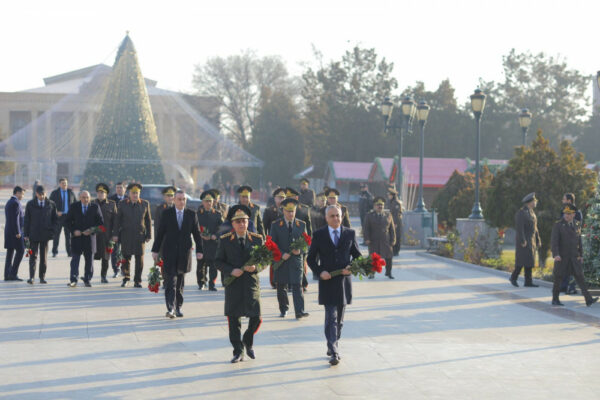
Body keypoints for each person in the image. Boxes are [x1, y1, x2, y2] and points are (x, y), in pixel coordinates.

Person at [307, 205, 362, 366]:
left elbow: (357, 256)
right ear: (326, 218)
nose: (336, 219)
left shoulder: (350, 233)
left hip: (344, 283)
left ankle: (333, 342)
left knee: (340, 320)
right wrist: (319, 271)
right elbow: (311, 259)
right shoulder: (319, 235)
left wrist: (352, 267)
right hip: (327, 281)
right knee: (331, 317)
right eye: (332, 216)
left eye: (338, 216)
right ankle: (334, 350)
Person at [215, 205, 264, 363]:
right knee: (233, 319)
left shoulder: (257, 239)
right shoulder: (225, 240)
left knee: (256, 317)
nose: (242, 224)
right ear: (233, 224)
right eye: (238, 222)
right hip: (234, 284)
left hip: (251, 283)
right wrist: (231, 270)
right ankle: (238, 351)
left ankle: (247, 340)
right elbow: (218, 261)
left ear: (248, 222)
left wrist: (257, 267)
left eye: (244, 221)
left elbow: (265, 259)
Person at [152, 190, 203, 318]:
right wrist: (155, 250)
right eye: (179, 199)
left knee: (180, 283)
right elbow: (160, 233)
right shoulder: (167, 214)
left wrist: (200, 251)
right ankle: (170, 308)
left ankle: (178, 307)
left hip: (184, 254)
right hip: (169, 253)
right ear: (174, 200)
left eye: (183, 199)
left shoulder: (191, 214)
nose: (181, 202)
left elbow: (197, 234)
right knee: (170, 282)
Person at [550, 204, 598, 307]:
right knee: (558, 277)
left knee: (580, 277)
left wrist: (581, 255)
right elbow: (554, 242)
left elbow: (579, 241)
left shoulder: (577, 224)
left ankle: (588, 299)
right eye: (565, 213)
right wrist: (556, 254)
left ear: (574, 214)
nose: (566, 216)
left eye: (569, 214)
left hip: (574, 257)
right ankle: (555, 299)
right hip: (562, 257)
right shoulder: (558, 225)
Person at [270, 198, 309, 319]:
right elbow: (272, 244)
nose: (291, 214)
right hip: (281, 261)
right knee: (281, 286)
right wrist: (281, 254)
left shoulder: (301, 225)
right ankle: (284, 308)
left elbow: (307, 243)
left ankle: (299, 311)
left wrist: (301, 250)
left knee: (298, 285)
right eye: (288, 211)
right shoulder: (276, 225)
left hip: (296, 261)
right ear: (283, 211)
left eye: (293, 211)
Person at [112, 183, 152, 288]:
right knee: (126, 258)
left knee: (140, 260)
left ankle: (137, 280)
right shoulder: (122, 203)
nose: (135, 195)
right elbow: (117, 220)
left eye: (137, 193)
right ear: (129, 193)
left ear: (139, 193)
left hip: (140, 236)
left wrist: (149, 235)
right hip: (126, 235)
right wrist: (115, 234)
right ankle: (126, 278)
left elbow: (148, 220)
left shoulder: (145, 204)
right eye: (133, 193)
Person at [65, 191, 104, 287]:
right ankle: (73, 279)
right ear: (79, 198)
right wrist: (74, 231)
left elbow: (101, 225)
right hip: (77, 238)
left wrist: (91, 230)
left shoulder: (95, 207)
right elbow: (67, 222)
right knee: (75, 260)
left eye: (87, 197)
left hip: (89, 239)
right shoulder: (74, 206)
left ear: (90, 198)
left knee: (89, 261)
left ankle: (87, 279)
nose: (85, 199)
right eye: (83, 197)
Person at [24, 186, 58, 284]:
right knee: (32, 256)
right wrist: (26, 234)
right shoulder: (30, 204)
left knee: (43, 258)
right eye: (40, 194)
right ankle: (31, 277)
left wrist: (52, 231)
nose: (42, 196)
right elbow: (26, 220)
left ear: (45, 193)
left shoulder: (51, 204)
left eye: (43, 194)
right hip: (33, 235)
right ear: (36, 194)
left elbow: (55, 219)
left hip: (45, 235)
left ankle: (42, 277)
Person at [510, 192, 541, 287]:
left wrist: (538, 239)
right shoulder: (521, 212)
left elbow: (535, 228)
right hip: (524, 241)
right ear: (529, 202)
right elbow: (520, 228)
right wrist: (523, 240)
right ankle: (513, 277)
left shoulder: (531, 212)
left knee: (529, 261)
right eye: (534, 201)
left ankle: (528, 281)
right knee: (521, 261)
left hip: (531, 241)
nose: (535, 202)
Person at [196, 190, 224, 291]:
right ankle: (201, 282)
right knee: (201, 264)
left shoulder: (217, 214)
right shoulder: (198, 214)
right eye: (206, 201)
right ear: (202, 202)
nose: (208, 203)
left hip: (213, 243)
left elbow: (222, 228)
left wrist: (215, 236)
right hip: (202, 243)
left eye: (210, 201)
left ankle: (212, 284)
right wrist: (199, 235)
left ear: (213, 202)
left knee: (213, 265)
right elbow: (194, 227)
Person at [363, 196, 396, 279]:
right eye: (378, 205)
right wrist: (366, 239)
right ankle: (372, 273)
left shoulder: (388, 215)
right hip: (373, 241)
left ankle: (389, 273)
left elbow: (392, 229)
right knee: (373, 258)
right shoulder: (369, 215)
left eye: (381, 205)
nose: (380, 206)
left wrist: (393, 240)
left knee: (389, 257)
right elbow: (366, 228)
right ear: (374, 206)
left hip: (386, 240)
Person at [559, 193, 582, 295]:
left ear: (569, 201)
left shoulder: (577, 212)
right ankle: (564, 286)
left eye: (563, 199)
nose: (562, 201)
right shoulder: (563, 211)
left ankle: (571, 287)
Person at [94, 183, 117, 283]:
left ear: (106, 194)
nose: (100, 194)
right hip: (94, 235)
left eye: (102, 193)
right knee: (90, 257)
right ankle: (88, 275)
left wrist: (114, 234)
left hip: (106, 235)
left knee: (105, 257)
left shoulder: (112, 204)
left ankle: (103, 276)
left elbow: (116, 221)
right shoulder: (92, 203)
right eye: (99, 192)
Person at [49, 178, 75, 257]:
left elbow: (75, 204)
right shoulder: (55, 193)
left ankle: (69, 252)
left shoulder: (70, 192)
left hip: (68, 217)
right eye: (63, 183)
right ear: (59, 184)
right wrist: (56, 212)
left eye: (66, 183)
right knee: (56, 235)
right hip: (58, 217)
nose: (65, 185)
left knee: (68, 236)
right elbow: (50, 204)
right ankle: (54, 251)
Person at [4, 186, 26, 281]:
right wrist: (18, 232)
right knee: (21, 251)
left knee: (10, 253)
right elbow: (15, 219)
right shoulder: (16, 203)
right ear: (17, 193)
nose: (23, 196)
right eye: (22, 194)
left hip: (9, 232)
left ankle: (7, 274)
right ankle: (13, 273)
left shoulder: (10, 202)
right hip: (15, 233)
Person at [108, 182, 127, 277]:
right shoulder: (111, 199)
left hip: (126, 229)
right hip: (114, 229)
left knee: (125, 251)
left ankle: (124, 269)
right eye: (117, 188)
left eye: (120, 188)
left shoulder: (129, 199)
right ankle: (116, 269)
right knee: (114, 250)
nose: (119, 189)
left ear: (125, 189)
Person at [153, 186, 177, 259]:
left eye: (172, 195)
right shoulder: (160, 209)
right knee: (163, 264)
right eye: (168, 196)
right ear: (164, 197)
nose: (170, 198)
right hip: (163, 241)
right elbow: (157, 227)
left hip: (175, 241)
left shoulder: (178, 208)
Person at [387, 187, 403, 256]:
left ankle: (396, 251)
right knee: (392, 235)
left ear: (392, 195)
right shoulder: (391, 202)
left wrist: (395, 223)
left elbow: (396, 214)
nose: (388, 196)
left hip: (396, 222)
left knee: (397, 236)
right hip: (392, 222)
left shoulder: (396, 203)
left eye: (389, 195)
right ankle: (393, 250)